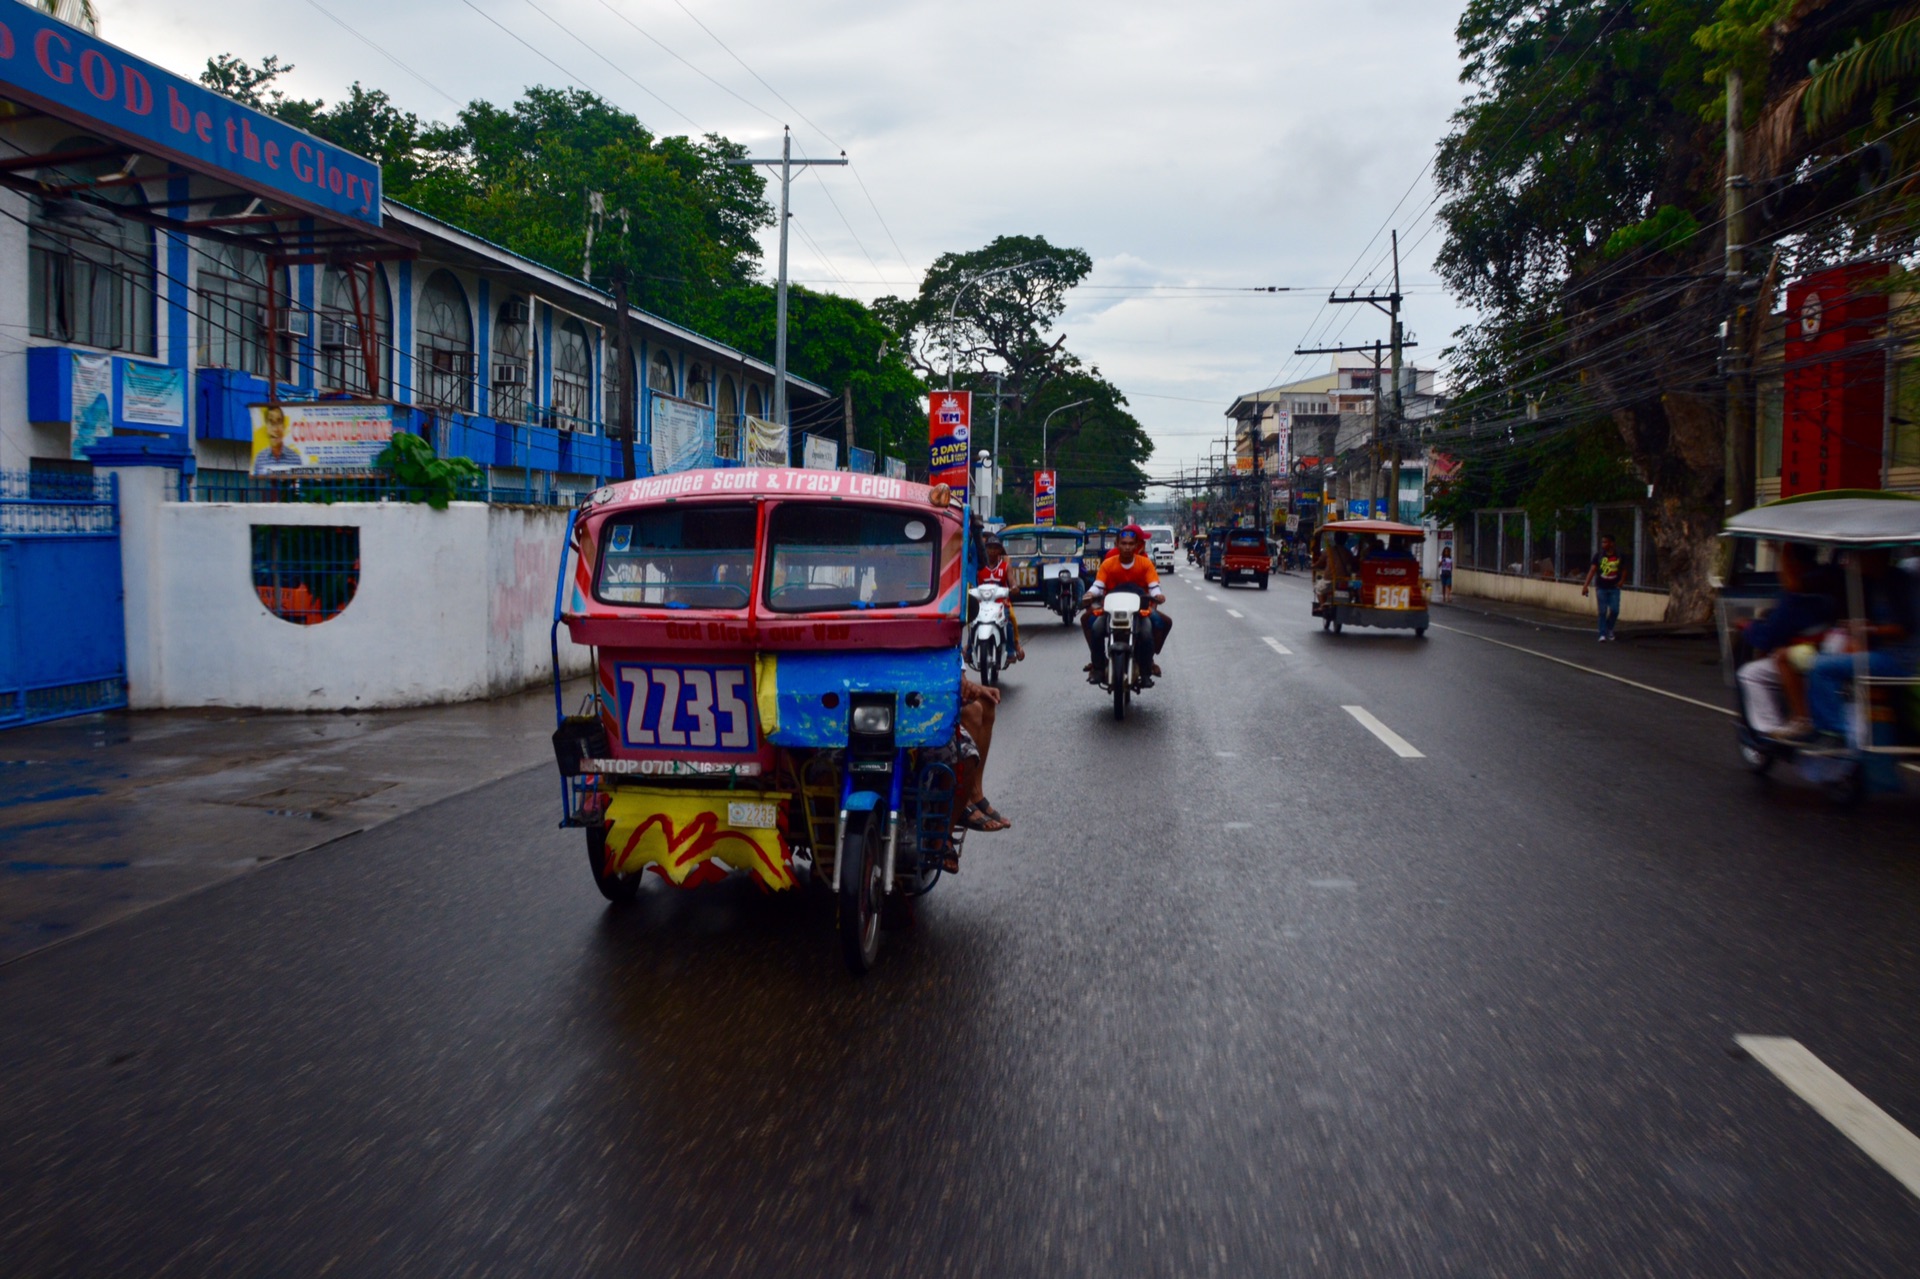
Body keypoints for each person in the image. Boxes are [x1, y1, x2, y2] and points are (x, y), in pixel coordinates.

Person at [1805, 549, 1919, 741]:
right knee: (1822, 659)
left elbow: (1902, 628)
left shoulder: (1897, 582)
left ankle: (1835, 729)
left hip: (1899, 660)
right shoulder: (1875, 583)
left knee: (1820, 667)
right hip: (1883, 653)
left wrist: (1867, 629)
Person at [1735, 543, 1835, 739]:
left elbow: (1769, 635)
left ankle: (1770, 730)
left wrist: (1749, 627)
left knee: (1751, 672)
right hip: (1829, 647)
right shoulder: (1830, 583)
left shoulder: (1797, 597)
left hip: (1815, 653)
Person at [1081, 525, 1171, 684]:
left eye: (1131, 544)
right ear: (1117, 544)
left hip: (1138, 610)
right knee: (1096, 629)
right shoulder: (1108, 564)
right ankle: (1098, 668)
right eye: (1124, 543)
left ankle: (1145, 671)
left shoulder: (1145, 563)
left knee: (1147, 631)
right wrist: (1090, 594)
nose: (1127, 547)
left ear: (1136, 546)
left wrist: (1158, 595)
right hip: (1111, 610)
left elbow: (1154, 586)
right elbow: (1098, 585)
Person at [975, 534, 1024, 662]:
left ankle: (1011, 650)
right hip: (982, 603)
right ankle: (969, 648)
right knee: (973, 622)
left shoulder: (1005, 567)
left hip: (1001, 603)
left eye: (995, 548)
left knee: (1009, 620)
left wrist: (1014, 587)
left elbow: (1012, 581)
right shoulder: (979, 568)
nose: (992, 551)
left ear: (1000, 551)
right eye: (989, 548)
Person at [1581, 534, 1626, 641]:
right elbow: (1592, 570)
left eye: (1605, 542)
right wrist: (1585, 585)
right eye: (1602, 542)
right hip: (1601, 587)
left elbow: (1624, 569)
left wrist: (1621, 581)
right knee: (1602, 611)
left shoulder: (1619, 555)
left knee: (1615, 610)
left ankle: (1609, 628)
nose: (1603, 544)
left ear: (1612, 543)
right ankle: (1602, 633)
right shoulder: (1599, 556)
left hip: (1614, 587)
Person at [252, 405, 305, 475]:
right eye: (271, 422)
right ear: (266, 427)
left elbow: (298, 483)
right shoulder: (259, 459)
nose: (275, 429)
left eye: (279, 421)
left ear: (283, 426)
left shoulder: (295, 458)